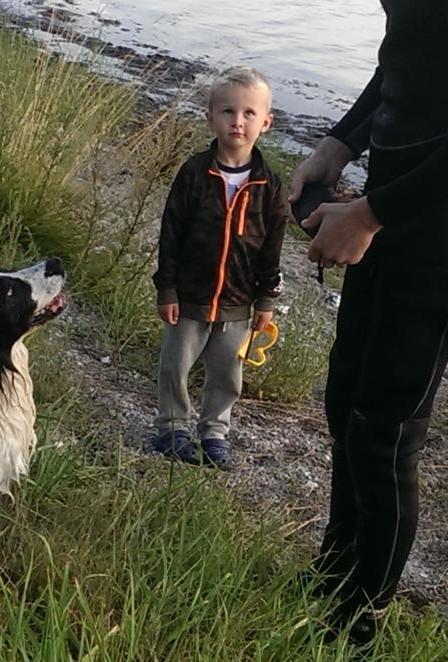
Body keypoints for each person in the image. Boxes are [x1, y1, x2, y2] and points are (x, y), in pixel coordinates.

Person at [288, 0, 448, 644]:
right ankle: (332, 578)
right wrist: (339, 144)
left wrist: (369, 216)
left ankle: (358, 628)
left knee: (384, 431)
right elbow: (406, 55)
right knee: (346, 402)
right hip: (395, 191)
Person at [151, 67, 289, 471]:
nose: (238, 121)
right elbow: (171, 232)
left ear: (266, 122)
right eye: (228, 111)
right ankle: (172, 428)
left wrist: (265, 298)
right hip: (189, 296)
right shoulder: (195, 173)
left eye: (249, 113)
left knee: (228, 374)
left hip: (238, 303)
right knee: (174, 365)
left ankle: (214, 433)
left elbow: (273, 247)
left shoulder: (270, 185)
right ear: (211, 116)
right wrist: (167, 289)